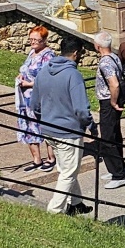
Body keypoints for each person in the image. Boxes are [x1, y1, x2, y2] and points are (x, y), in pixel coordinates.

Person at [33, 35, 95, 215]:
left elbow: (35, 105)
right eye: (82, 53)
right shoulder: (73, 75)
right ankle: (55, 210)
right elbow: (81, 109)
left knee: (66, 168)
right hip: (69, 131)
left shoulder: (43, 71)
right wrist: (89, 125)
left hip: (48, 129)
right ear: (76, 53)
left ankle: (76, 203)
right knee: (68, 172)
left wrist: (45, 119)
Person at [92, 31, 125, 189]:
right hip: (111, 101)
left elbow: (114, 84)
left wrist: (113, 102)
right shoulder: (114, 57)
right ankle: (116, 167)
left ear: (97, 46)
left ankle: (119, 174)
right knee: (115, 135)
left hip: (109, 102)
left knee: (107, 137)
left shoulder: (105, 63)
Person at [14, 26, 55, 171]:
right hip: (26, 99)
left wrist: (29, 83)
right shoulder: (32, 52)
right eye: (30, 39)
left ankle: (51, 158)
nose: (32, 42)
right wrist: (21, 76)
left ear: (44, 40)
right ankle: (36, 159)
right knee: (30, 127)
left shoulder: (48, 56)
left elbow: (47, 78)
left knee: (44, 126)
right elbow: (25, 69)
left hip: (40, 97)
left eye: (35, 39)